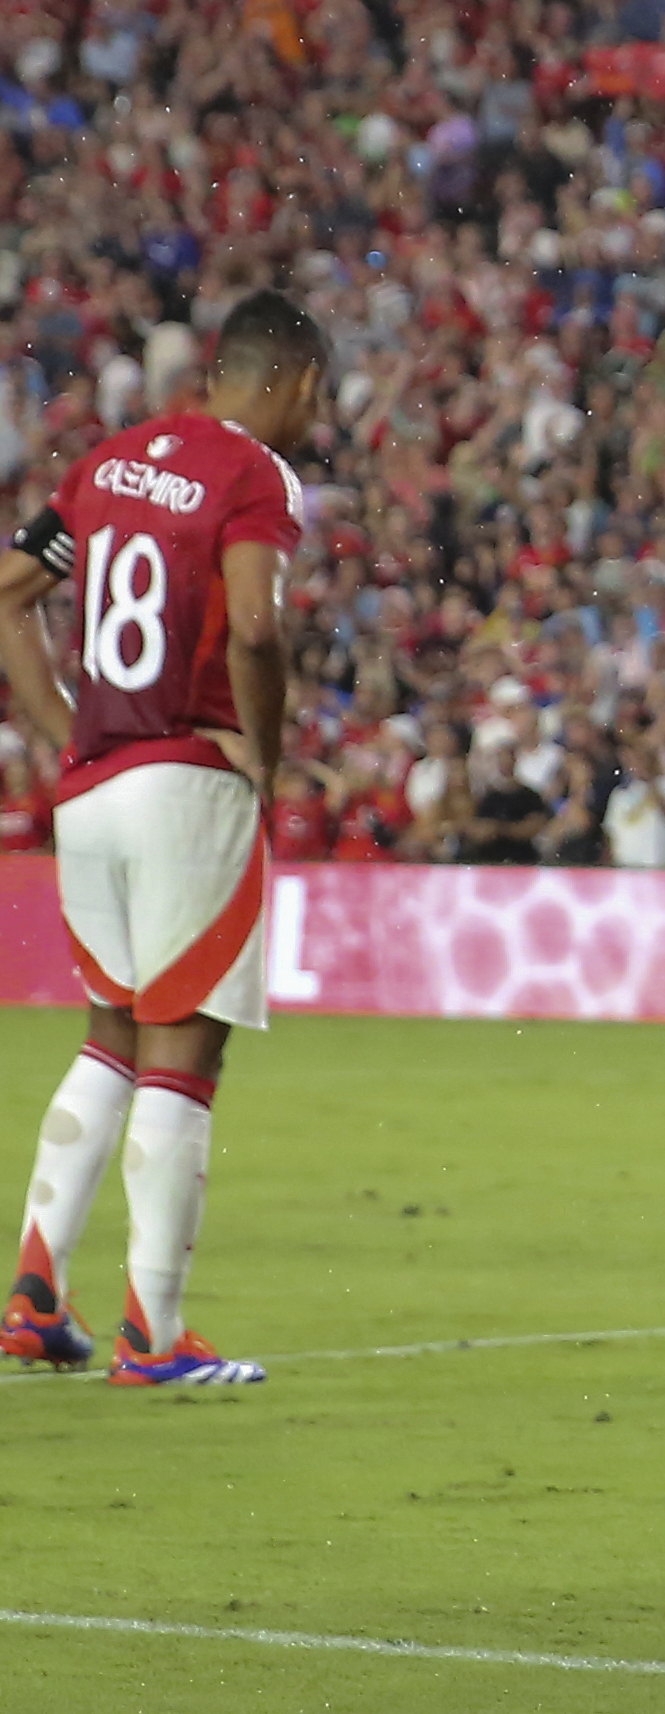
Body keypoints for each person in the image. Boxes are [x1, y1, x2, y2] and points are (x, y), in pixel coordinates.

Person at [0, 288, 328, 1385]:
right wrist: (263, 748)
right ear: (295, 384)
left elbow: (7, 593)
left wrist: (61, 732)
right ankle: (154, 1332)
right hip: (187, 779)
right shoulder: (255, 477)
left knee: (112, 1035)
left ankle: (36, 1293)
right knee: (185, 1048)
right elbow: (257, 624)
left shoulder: (114, 459)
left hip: (95, 783)